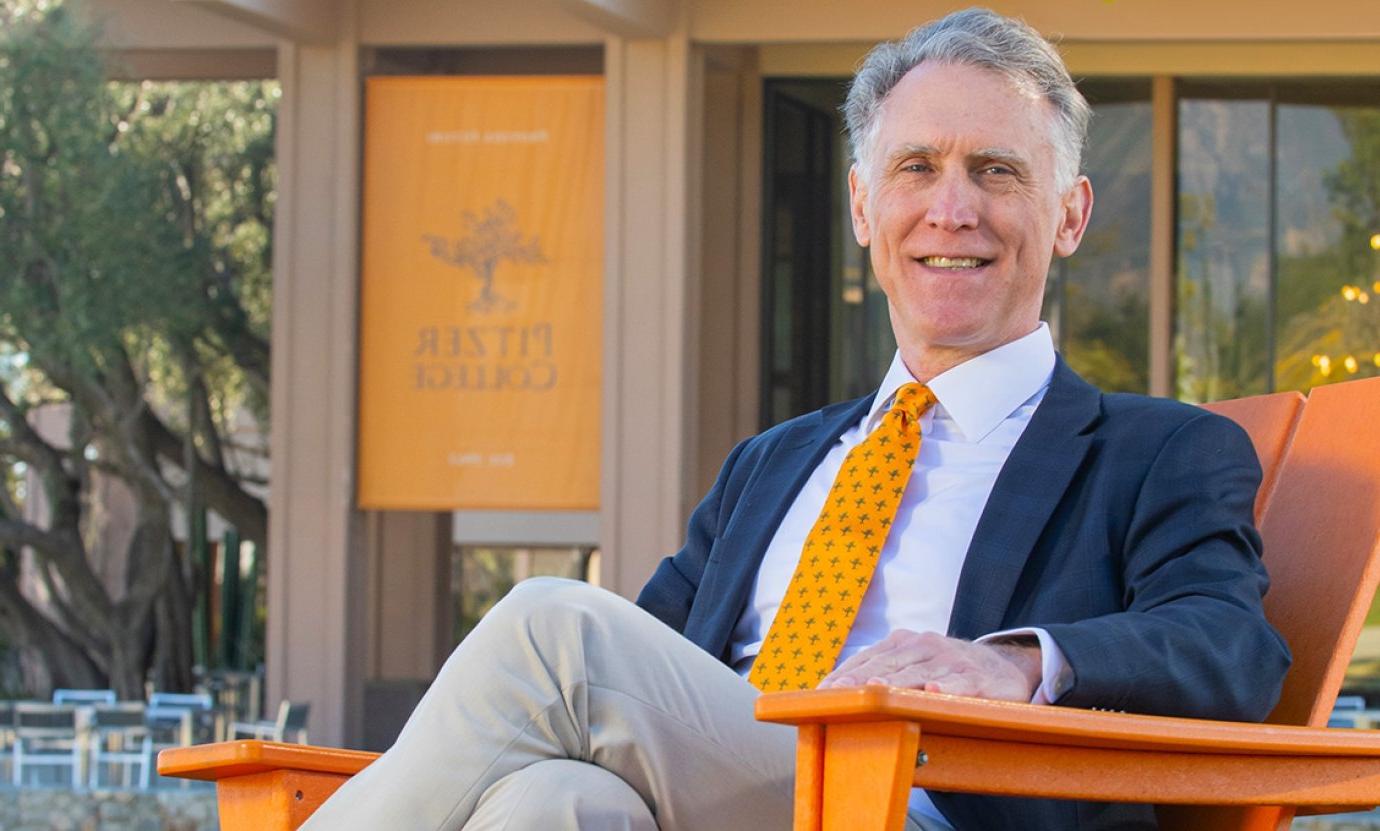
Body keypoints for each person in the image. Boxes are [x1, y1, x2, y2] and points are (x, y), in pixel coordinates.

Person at [304, 8, 1290, 830]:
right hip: (740, 790)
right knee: (552, 800)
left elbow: (1230, 647)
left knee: (551, 629)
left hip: (926, 802)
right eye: (916, 168)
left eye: (996, 170)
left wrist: (1014, 663)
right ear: (862, 207)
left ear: (1069, 214)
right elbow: (637, 678)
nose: (953, 210)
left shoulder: (1160, 451)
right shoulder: (772, 464)